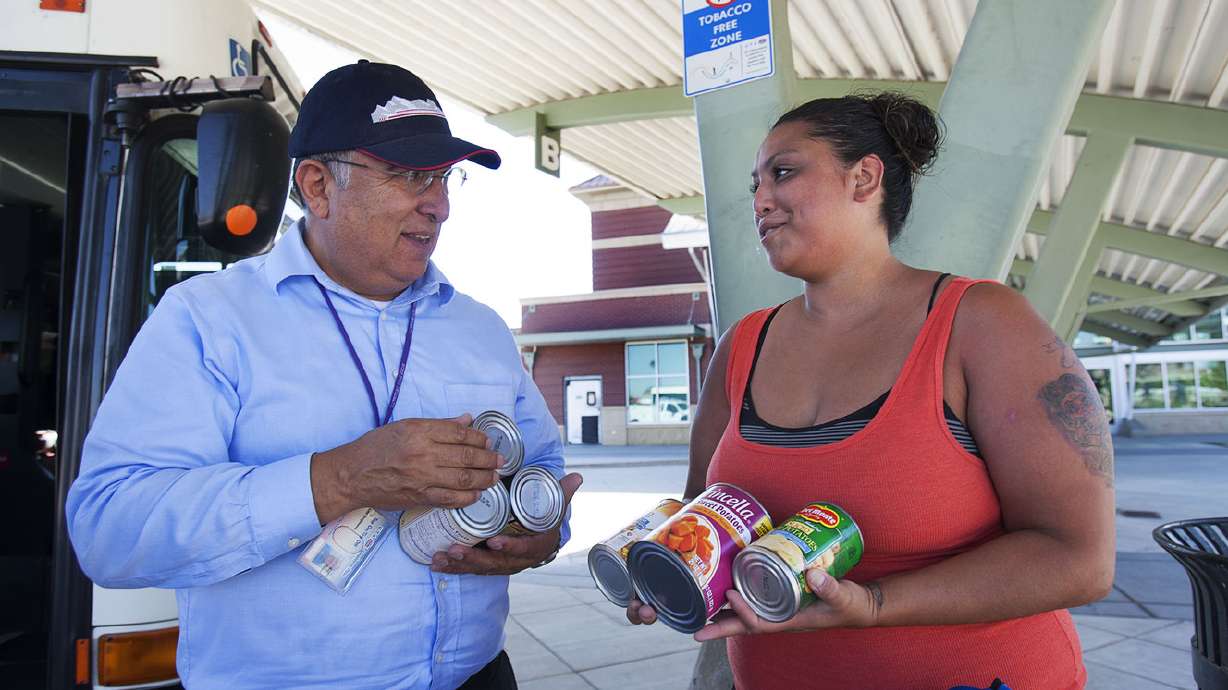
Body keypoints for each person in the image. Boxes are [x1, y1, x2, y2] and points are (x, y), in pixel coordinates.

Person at [66, 60, 581, 689]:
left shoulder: (480, 328)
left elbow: (542, 468)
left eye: (445, 177)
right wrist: (339, 478)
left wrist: (542, 533)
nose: (439, 205)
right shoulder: (208, 321)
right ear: (317, 186)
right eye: (408, 174)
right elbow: (109, 529)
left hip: (481, 677)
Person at [627, 93, 1114, 689]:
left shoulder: (981, 323)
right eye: (755, 184)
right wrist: (665, 566)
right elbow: (705, 514)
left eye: (784, 173)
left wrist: (876, 603)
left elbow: (1078, 559)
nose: (759, 201)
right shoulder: (742, 346)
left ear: (864, 178)